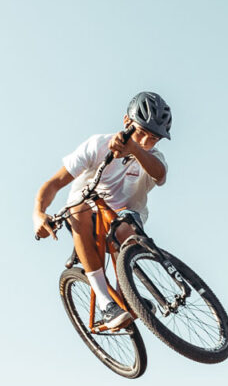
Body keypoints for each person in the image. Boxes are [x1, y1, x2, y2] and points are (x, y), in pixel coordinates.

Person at [32, 91, 172, 328]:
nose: (146, 142)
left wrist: (134, 149)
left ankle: (127, 296)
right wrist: (38, 213)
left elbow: (160, 175)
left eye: (153, 139)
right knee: (79, 210)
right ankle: (105, 302)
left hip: (124, 219)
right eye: (141, 133)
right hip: (86, 212)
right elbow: (54, 183)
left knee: (124, 229)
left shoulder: (153, 157)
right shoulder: (97, 145)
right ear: (127, 122)